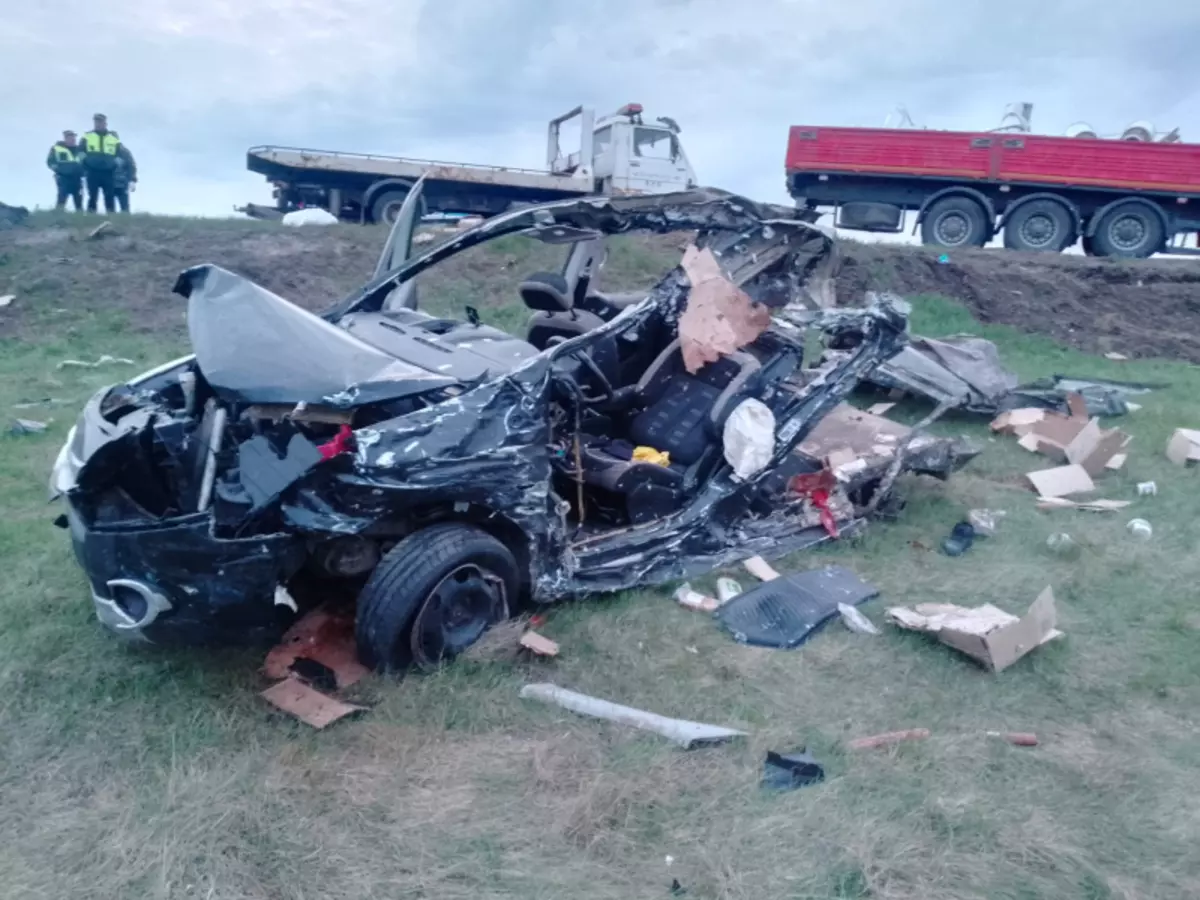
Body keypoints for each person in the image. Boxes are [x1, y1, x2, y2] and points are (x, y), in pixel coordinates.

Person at [80, 113, 137, 213]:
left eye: (100, 122)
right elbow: (80, 152)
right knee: (92, 196)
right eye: (96, 122)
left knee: (109, 196)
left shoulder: (113, 138)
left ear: (105, 123)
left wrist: (115, 163)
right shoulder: (87, 136)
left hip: (108, 172)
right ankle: (91, 216)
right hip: (92, 171)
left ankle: (110, 217)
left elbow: (121, 154)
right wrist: (85, 164)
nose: (98, 124)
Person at [46, 130, 85, 211]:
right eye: (69, 137)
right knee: (62, 198)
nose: (72, 139)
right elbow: (50, 161)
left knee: (78, 200)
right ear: (65, 138)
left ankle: (80, 218)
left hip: (77, 178)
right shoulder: (57, 148)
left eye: (73, 137)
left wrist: (84, 172)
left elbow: (85, 162)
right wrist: (57, 169)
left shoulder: (80, 150)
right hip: (63, 177)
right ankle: (58, 216)